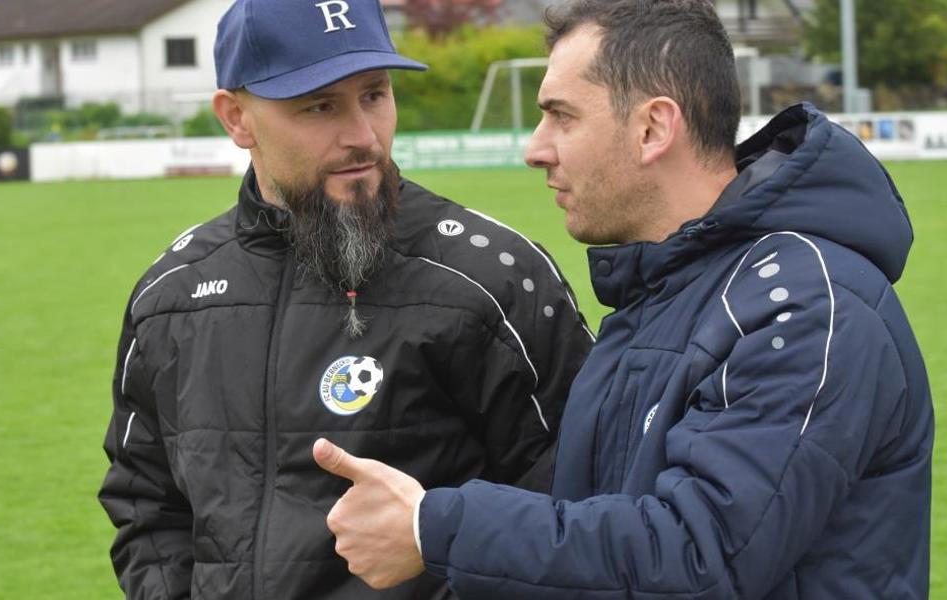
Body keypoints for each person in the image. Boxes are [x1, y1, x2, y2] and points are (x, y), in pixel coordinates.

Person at [313, 0, 934, 598]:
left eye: (562, 116)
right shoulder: (663, 290)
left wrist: (436, 527)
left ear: (653, 128)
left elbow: (699, 555)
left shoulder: (801, 305)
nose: (536, 148)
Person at [97, 0, 594, 598]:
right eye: (320, 105)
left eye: (375, 94)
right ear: (237, 118)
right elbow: (146, 503)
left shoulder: (493, 281)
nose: (363, 137)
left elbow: (578, 506)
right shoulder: (171, 297)